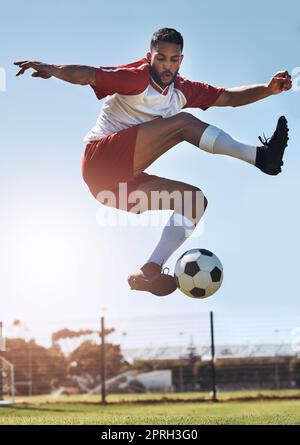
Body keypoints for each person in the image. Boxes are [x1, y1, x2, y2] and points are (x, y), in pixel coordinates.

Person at [14, 28, 291, 297]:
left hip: (113, 190)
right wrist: (53, 68)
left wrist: (268, 89)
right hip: (101, 161)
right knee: (183, 124)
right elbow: (88, 74)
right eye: (161, 58)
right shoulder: (135, 78)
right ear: (150, 56)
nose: (167, 65)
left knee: (193, 201)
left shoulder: (183, 90)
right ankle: (261, 157)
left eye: (173, 59)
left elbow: (229, 97)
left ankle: (150, 270)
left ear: (181, 60)